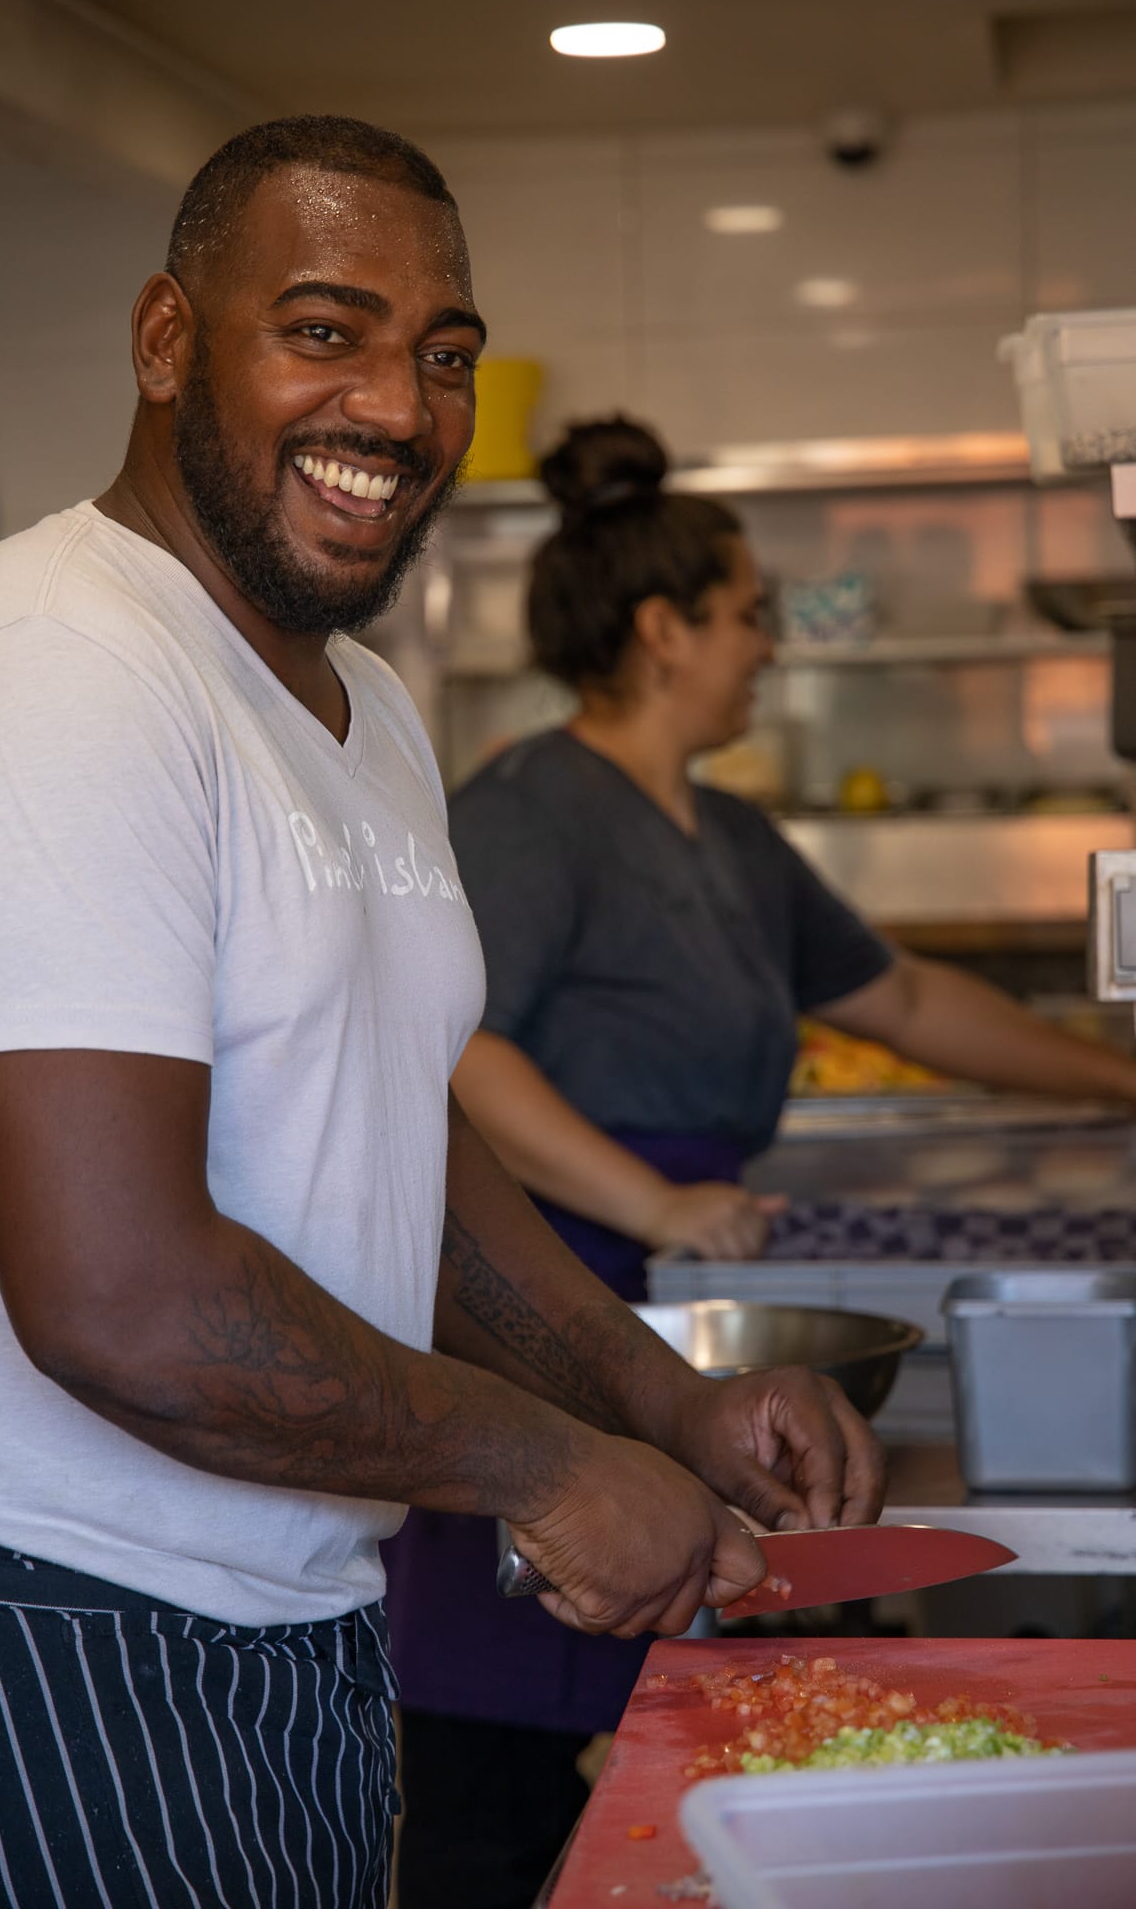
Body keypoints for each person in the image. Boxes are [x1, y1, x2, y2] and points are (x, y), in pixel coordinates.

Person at [0, 124, 883, 1909]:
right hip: (18, 1615)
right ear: (163, 343)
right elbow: (121, 1299)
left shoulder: (354, 701)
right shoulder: (53, 667)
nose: (399, 404)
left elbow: (385, 1138)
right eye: (323, 331)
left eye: (442, 354)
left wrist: (658, 1402)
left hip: (271, 1598)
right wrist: (547, 1468)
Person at [384, 412, 1136, 1909]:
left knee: (667, 1712)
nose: (768, 650)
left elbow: (904, 1000)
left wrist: (1121, 1077)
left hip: (670, 1296)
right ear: (661, 632)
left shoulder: (725, 835)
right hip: (533, 1290)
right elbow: (455, 1052)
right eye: (747, 619)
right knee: (507, 1763)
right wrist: (652, 1198)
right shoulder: (530, 812)